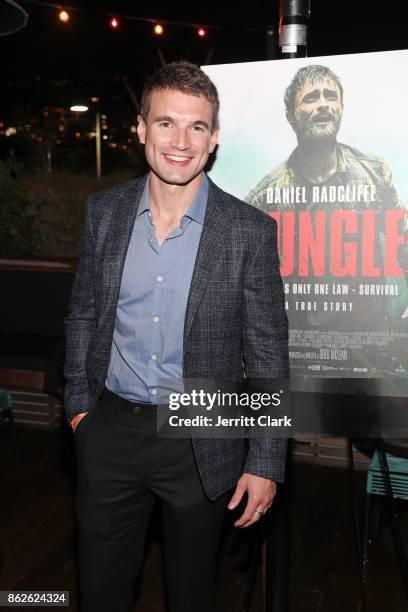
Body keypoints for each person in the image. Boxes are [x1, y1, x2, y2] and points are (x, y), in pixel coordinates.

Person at [64, 61, 289, 612]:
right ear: (140, 128)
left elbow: (267, 353)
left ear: (213, 139)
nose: (180, 142)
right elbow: (83, 315)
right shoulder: (105, 213)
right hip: (110, 424)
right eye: (166, 123)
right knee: (99, 591)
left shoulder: (248, 231)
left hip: (201, 427)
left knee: (192, 593)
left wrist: (265, 460)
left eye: (196, 128)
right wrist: (78, 410)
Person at [246, 64, 408, 375]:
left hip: (369, 355)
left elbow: (403, 238)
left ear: (341, 109)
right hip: (297, 360)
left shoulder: (374, 172)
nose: (323, 103)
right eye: (311, 97)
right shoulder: (266, 195)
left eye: (331, 96)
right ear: (291, 115)